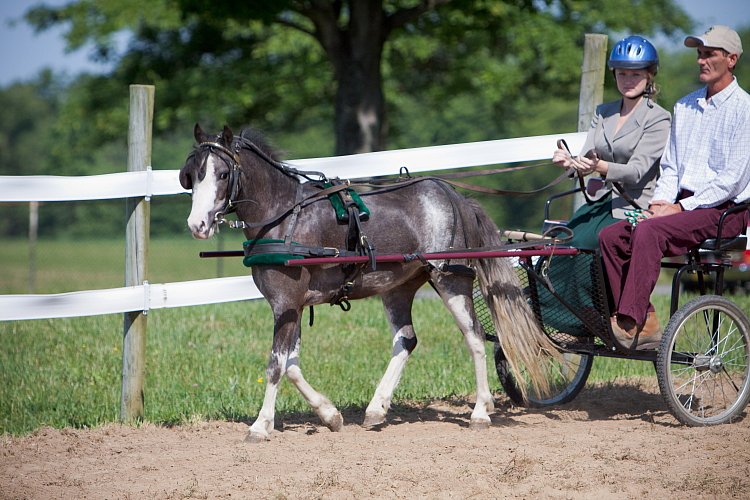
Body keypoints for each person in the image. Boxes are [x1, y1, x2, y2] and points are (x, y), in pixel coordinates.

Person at [599, 25, 750, 350]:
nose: (701, 60)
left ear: (732, 59)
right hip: (680, 207)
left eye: (710, 54)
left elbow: (732, 180)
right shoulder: (685, 107)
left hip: (725, 209)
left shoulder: (745, 110)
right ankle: (644, 320)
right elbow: (670, 167)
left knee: (649, 233)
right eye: (699, 54)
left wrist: (679, 208)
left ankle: (628, 321)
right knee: (610, 236)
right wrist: (661, 203)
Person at [552, 35, 671, 250]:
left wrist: (599, 166)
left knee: (582, 243)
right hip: (599, 201)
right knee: (563, 240)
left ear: (649, 75)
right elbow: (588, 157)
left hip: (633, 205)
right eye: (622, 73)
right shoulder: (603, 112)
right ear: (614, 74)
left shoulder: (658, 118)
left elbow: (636, 172)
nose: (628, 80)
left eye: (635, 74)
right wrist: (569, 163)